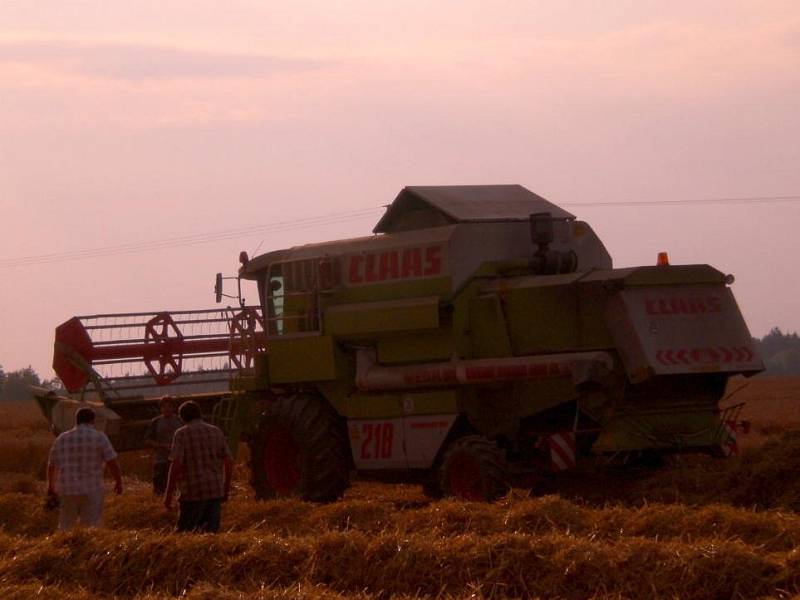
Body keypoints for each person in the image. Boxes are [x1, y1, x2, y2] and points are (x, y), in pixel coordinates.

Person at [47, 407, 123, 531]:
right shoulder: (99, 437)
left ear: (76, 420)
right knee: (91, 526)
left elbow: (52, 465)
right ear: (92, 420)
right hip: (91, 489)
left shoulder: (62, 438)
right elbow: (112, 462)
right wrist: (118, 482)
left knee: (66, 525)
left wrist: (51, 487)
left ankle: (65, 547)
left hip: (67, 489)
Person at [164, 400, 233, 533]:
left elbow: (176, 464)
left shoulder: (181, 434)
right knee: (211, 535)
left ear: (182, 418)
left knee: (186, 534)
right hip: (214, 492)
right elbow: (229, 461)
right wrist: (225, 489)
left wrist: (168, 495)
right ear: (200, 414)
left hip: (192, 494)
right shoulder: (216, 431)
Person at [143, 396, 183, 495]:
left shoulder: (180, 421)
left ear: (174, 408)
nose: (167, 409)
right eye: (164, 406)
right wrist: (161, 445)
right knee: (159, 487)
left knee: (177, 487)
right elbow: (147, 440)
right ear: (160, 409)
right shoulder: (156, 422)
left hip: (177, 459)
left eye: (169, 406)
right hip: (161, 459)